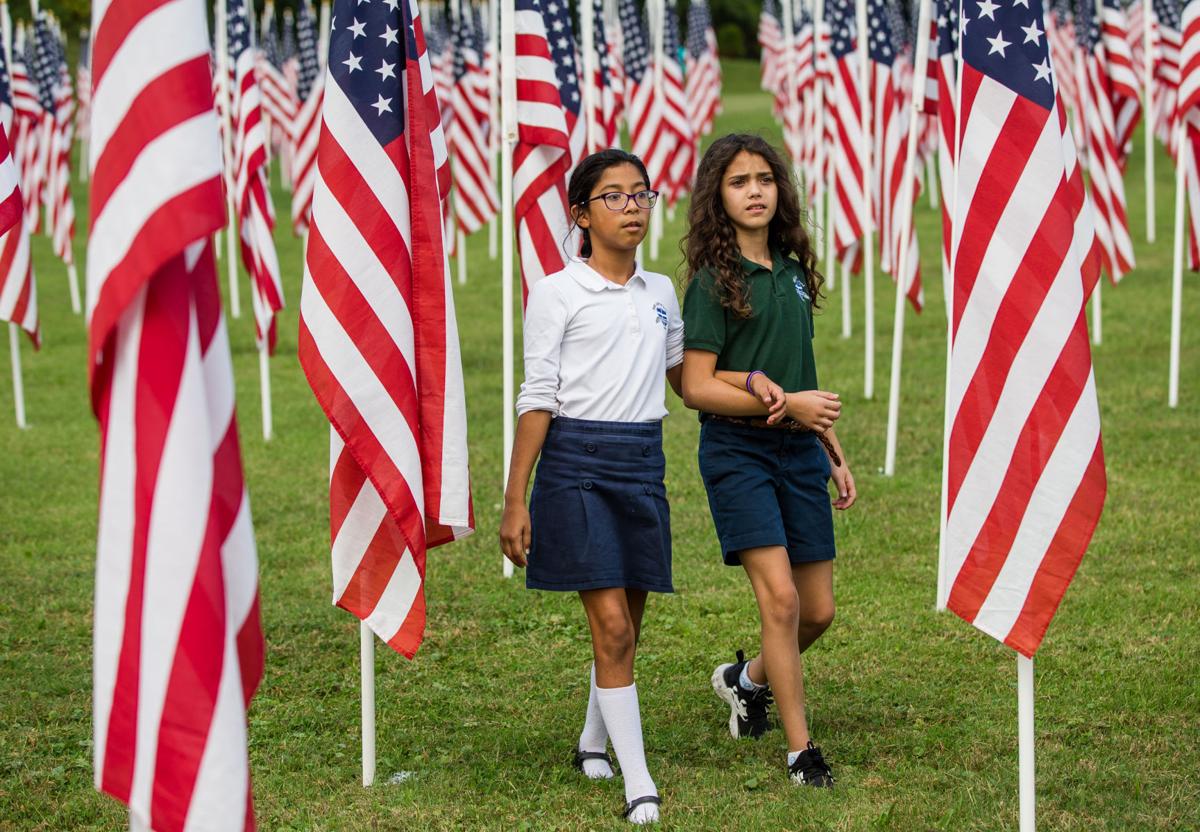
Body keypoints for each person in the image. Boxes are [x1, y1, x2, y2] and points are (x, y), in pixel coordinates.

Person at [499, 149, 680, 825]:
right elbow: (537, 395)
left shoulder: (661, 292)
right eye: (614, 196)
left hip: (644, 462)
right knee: (611, 625)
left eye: (641, 194)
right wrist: (515, 498)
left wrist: (757, 386)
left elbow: (685, 380)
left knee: (627, 626)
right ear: (580, 214)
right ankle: (640, 783)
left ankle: (592, 742)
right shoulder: (557, 292)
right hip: (576, 465)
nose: (632, 207)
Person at [679, 133, 857, 789]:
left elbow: (798, 370)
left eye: (764, 178)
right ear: (716, 197)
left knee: (817, 611)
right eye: (738, 182)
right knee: (780, 601)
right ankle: (800, 753)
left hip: (800, 450)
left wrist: (829, 447)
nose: (755, 191)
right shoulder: (712, 281)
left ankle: (746, 680)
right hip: (738, 451)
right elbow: (696, 385)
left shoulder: (792, 271)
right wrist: (774, 398)